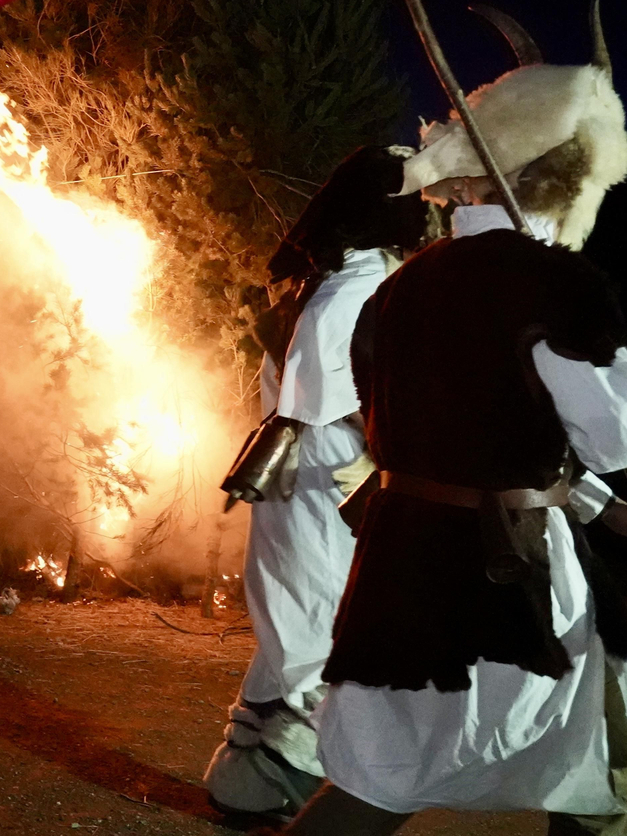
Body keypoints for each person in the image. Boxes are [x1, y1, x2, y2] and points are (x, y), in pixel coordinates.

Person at [286, 2, 627, 836]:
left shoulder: (398, 285)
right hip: (511, 579)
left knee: (376, 780)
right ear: (576, 181)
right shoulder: (553, 285)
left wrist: (612, 512)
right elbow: (624, 434)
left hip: (402, 567)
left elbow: (472, 435)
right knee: (598, 773)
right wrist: (595, 324)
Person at [204, 145, 428, 817]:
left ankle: (244, 788)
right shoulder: (350, 290)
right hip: (318, 483)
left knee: (302, 638)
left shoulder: (352, 279)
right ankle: (291, 790)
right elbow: (326, 397)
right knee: (316, 638)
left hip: (321, 481)